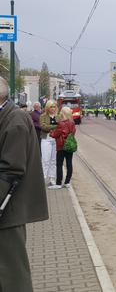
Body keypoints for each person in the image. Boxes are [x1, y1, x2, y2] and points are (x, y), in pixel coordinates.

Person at [0, 77, 49, 292]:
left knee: (11, 272)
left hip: (8, 210)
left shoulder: (14, 119)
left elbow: (10, 171)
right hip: (7, 208)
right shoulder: (8, 116)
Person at [49, 107, 77, 189]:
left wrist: (51, 133)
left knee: (59, 164)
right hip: (69, 145)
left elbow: (55, 134)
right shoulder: (72, 122)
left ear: (63, 113)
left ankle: (58, 183)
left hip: (61, 146)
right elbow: (73, 132)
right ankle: (67, 182)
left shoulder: (61, 123)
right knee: (69, 163)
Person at [39, 100, 60, 186]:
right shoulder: (43, 116)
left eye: (54, 107)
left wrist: (52, 127)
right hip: (46, 140)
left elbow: (60, 127)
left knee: (53, 161)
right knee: (45, 160)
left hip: (55, 140)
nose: (53, 108)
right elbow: (43, 127)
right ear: (47, 107)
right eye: (51, 107)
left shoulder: (58, 116)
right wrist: (55, 126)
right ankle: (43, 178)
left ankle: (52, 178)